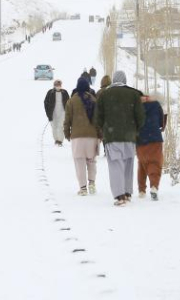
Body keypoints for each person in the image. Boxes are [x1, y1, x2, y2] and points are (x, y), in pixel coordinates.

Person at [94, 70, 144, 206]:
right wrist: (136, 130)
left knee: (116, 164)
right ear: (125, 79)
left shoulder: (104, 94)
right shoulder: (134, 94)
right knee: (128, 164)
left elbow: (97, 117)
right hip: (129, 136)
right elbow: (141, 117)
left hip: (112, 136)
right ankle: (127, 192)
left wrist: (102, 128)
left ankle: (119, 195)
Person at [64, 77, 101, 196]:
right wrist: (100, 134)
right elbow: (98, 120)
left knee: (79, 162)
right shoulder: (94, 100)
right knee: (91, 161)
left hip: (77, 136)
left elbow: (67, 120)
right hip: (92, 136)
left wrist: (67, 134)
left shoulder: (71, 101)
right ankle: (92, 183)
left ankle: (83, 188)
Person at [136, 94, 165, 201]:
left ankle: (141, 190)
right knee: (155, 163)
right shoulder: (156, 104)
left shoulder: (136, 106)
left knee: (142, 164)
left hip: (140, 139)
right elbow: (162, 121)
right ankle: (154, 186)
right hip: (155, 137)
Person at [44, 79, 70, 147]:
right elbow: (46, 103)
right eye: (57, 85)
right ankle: (56, 139)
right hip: (53, 113)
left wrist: (68, 112)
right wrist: (48, 113)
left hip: (62, 112)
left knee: (60, 126)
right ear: (54, 86)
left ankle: (60, 140)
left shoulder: (65, 92)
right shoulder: (50, 92)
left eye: (59, 85)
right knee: (54, 126)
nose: (58, 86)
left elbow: (69, 102)